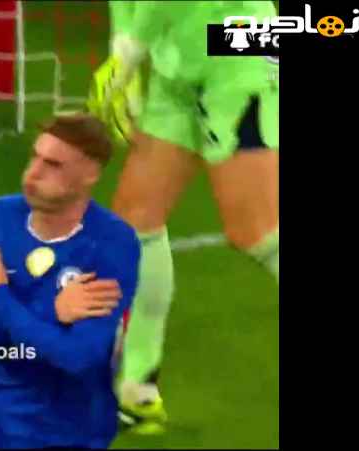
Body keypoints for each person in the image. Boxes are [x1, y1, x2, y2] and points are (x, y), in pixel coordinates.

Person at [87, 1, 279, 434]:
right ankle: (137, 391)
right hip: (178, 61)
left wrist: (130, 51)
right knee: (135, 223)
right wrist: (124, 48)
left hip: (238, 44)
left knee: (257, 231)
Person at [0, 113, 141, 449]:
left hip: (67, 431)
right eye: (35, 157)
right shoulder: (2, 216)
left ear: (90, 174)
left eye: (52, 165)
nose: (33, 173)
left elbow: (77, 357)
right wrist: (52, 313)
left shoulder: (111, 244)